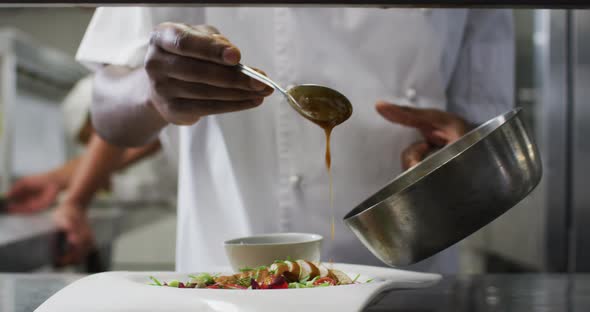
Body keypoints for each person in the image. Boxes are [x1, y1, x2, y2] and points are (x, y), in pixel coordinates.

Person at [76, 7, 514, 273]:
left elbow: (480, 122)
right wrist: (151, 92)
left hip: (410, 274)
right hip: (228, 278)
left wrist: (453, 156)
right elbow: (107, 111)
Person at [6, 75, 177, 265]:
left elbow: (124, 137)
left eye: (96, 138)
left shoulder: (148, 105)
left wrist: (74, 202)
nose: (93, 153)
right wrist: (55, 180)